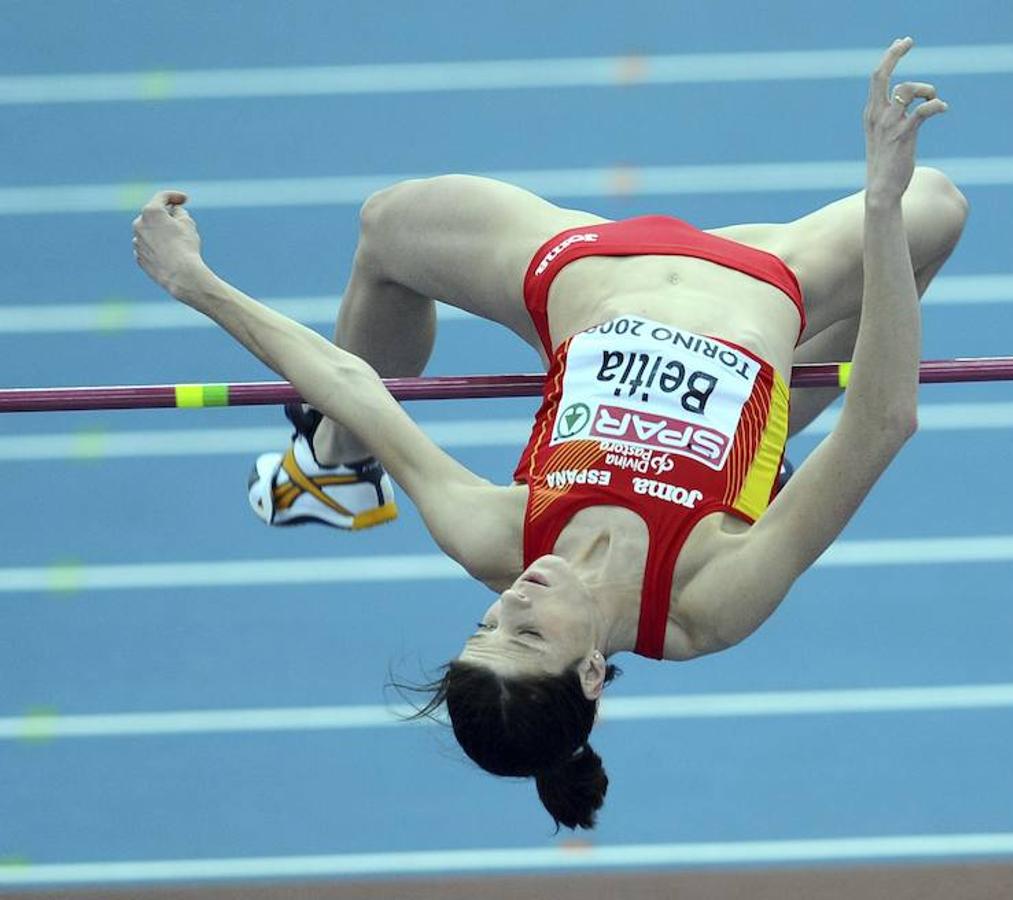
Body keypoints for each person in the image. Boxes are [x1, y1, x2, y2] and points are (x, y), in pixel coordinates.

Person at [132, 37, 966, 830]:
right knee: (936, 205)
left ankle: (331, 469)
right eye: (526, 633)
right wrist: (882, 207)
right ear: (593, 672)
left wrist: (195, 283)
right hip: (769, 279)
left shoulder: (492, 536)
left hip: (575, 268)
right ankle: (768, 434)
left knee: (387, 226)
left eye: (482, 626)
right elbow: (882, 422)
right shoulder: (706, 603)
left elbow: (355, 386)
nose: (509, 602)